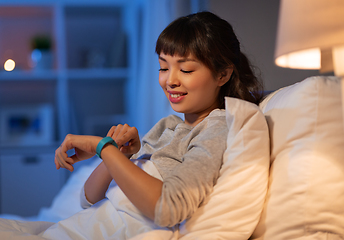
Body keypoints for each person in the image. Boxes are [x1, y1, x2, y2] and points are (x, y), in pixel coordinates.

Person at [54, 11, 263, 228]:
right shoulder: (168, 126)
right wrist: (120, 153)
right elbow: (88, 200)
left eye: (186, 69)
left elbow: (168, 208)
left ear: (223, 75)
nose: (169, 80)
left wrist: (101, 147)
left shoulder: (215, 128)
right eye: (163, 67)